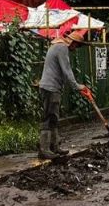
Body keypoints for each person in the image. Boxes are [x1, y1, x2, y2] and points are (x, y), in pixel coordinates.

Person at [38, 31, 91, 159]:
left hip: (52, 87)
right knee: (49, 117)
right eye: (77, 46)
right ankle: (44, 149)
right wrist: (78, 86)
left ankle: (55, 146)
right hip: (50, 88)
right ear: (72, 42)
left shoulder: (57, 45)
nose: (76, 49)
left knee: (54, 117)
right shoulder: (62, 48)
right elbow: (67, 70)